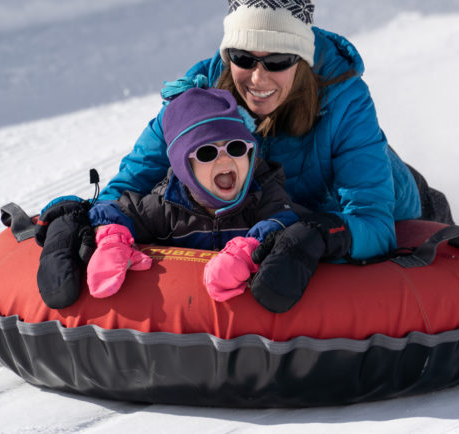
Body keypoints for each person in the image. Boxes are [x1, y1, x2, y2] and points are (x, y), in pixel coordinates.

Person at [99, 0, 459, 306]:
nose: (258, 76)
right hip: (276, 221)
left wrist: (321, 233)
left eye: (278, 61)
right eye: (243, 57)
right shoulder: (198, 94)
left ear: (301, 61)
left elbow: (374, 221)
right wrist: (99, 224)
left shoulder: (344, 98)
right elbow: (133, 180)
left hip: (400, 211)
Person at [85, 86, 310, 307]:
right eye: (207, 152)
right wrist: (113, 240)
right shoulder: (168, 206)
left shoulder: (262, 193)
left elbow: (286, 220)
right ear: (184, 169)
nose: (225, 160)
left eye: (236, 148)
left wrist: (248, 250)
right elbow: (119, 210)